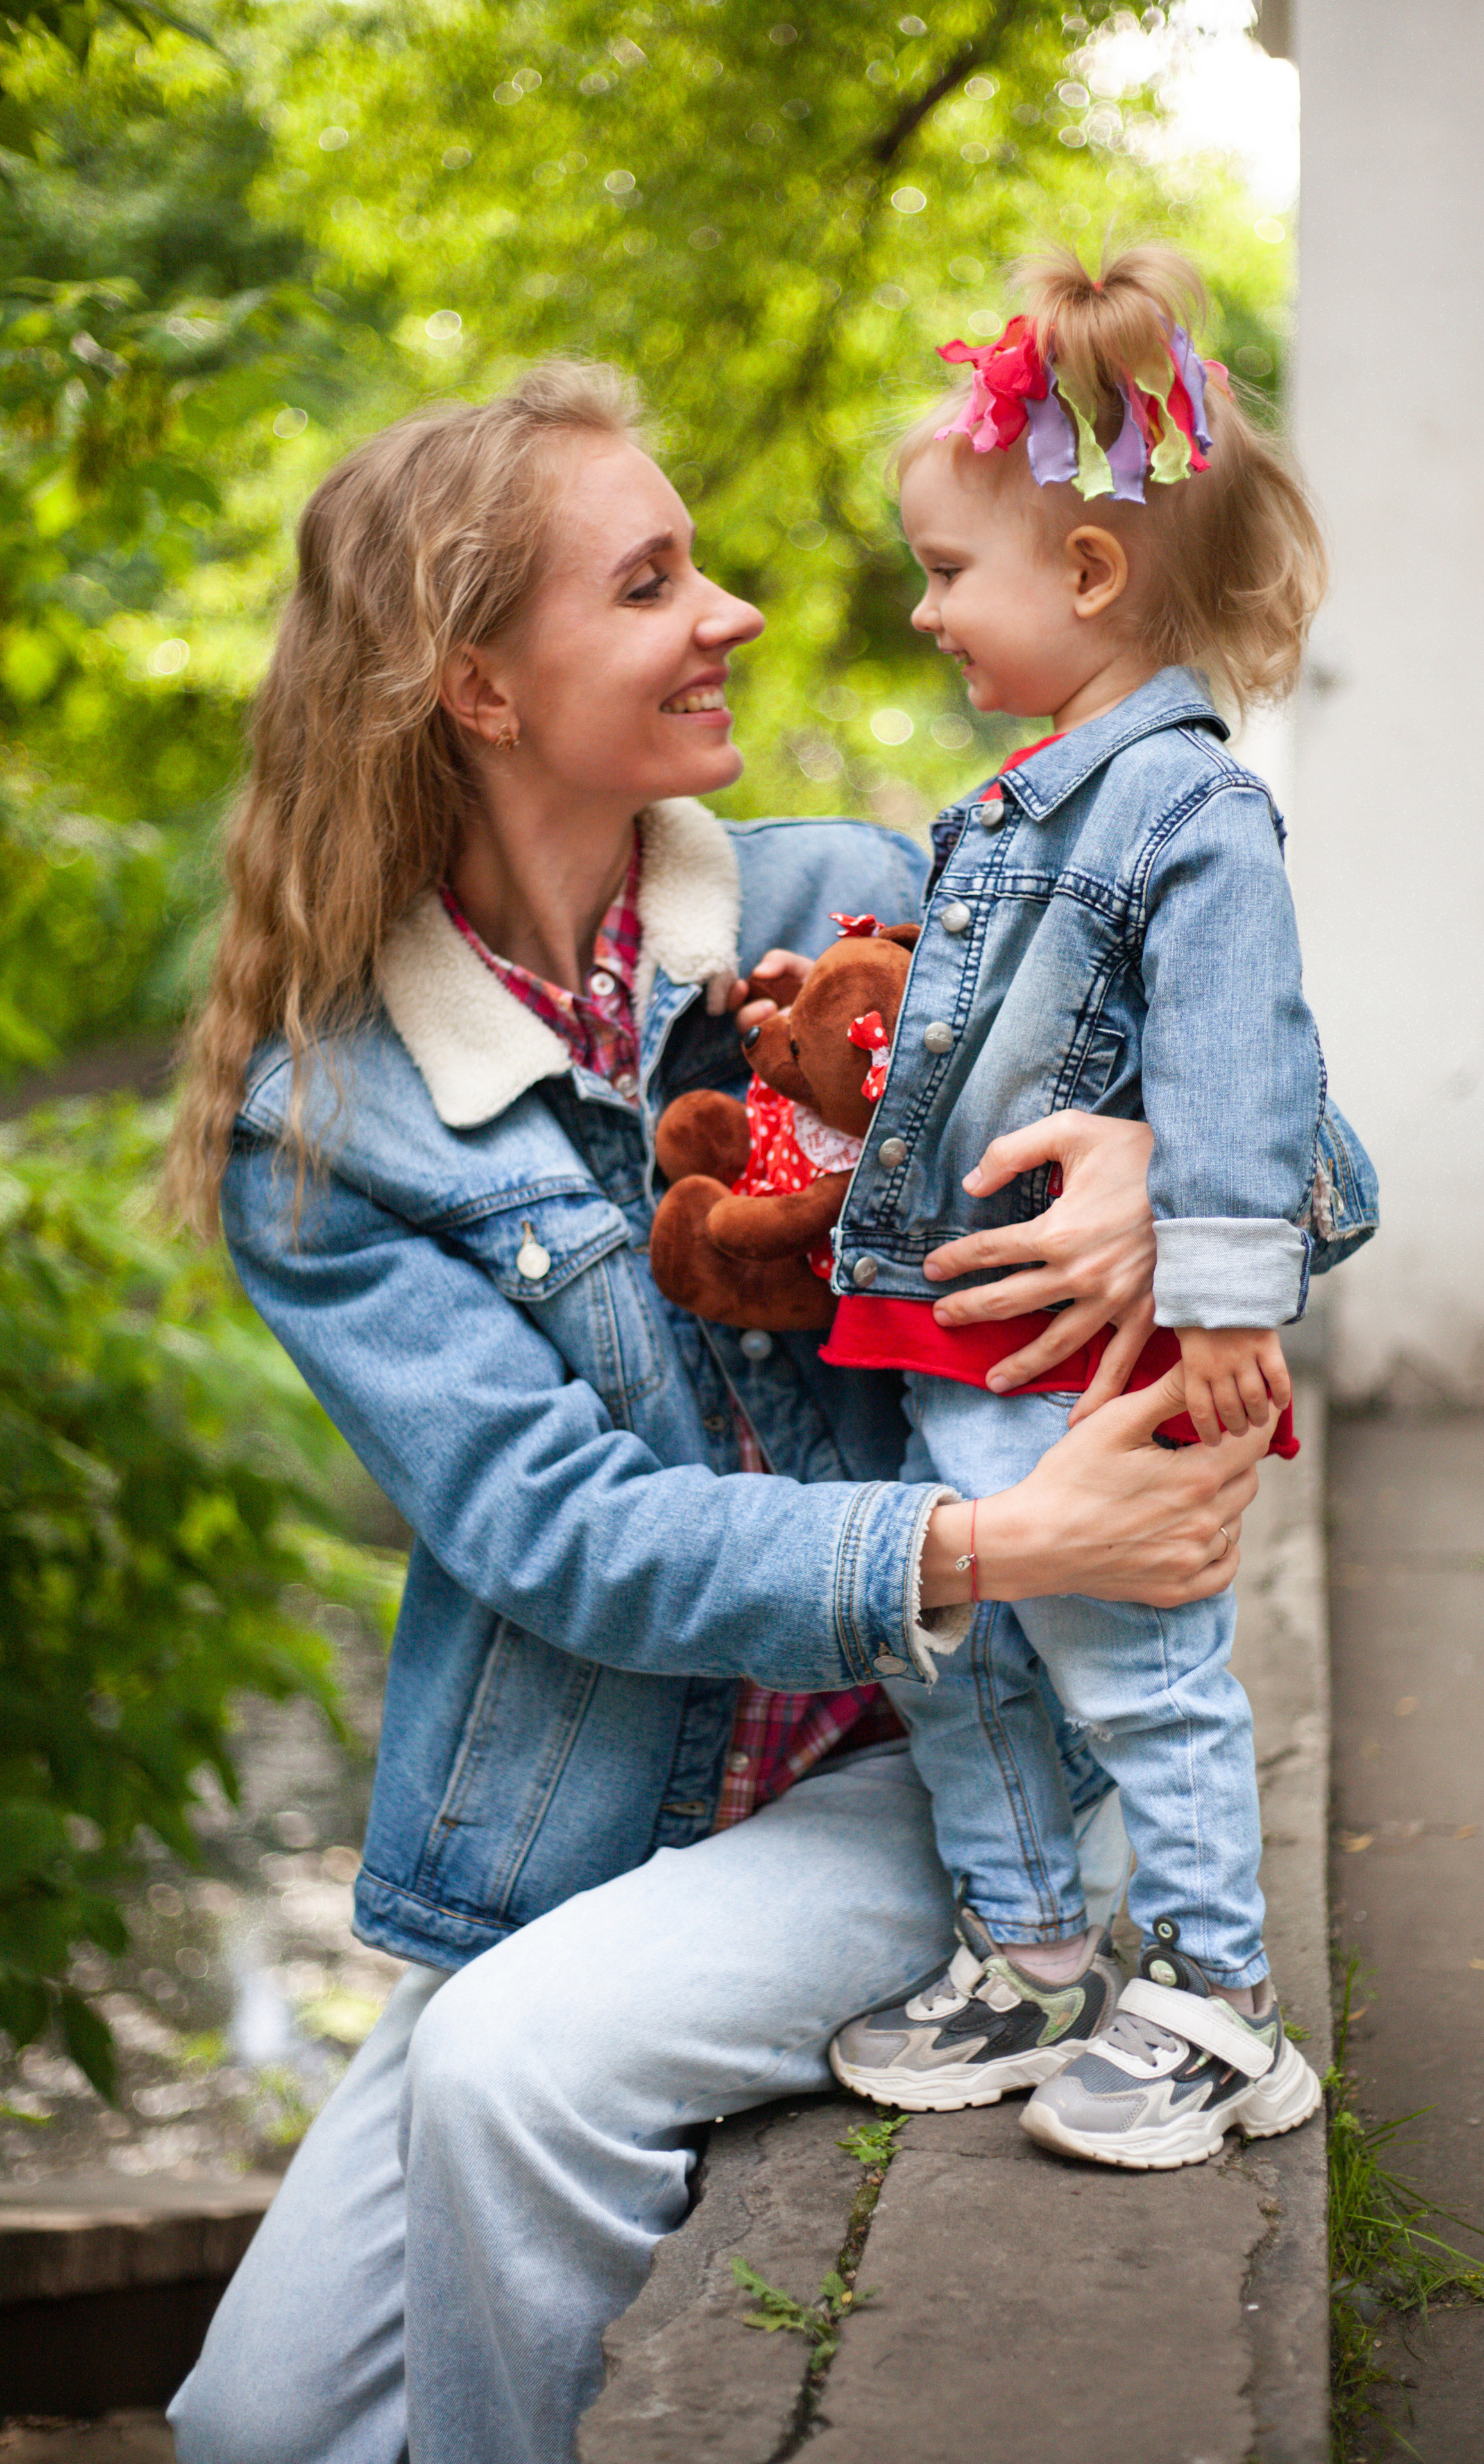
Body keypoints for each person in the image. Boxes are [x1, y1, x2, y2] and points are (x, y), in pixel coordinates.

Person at [160, 359, 1274, 2463]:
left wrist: (1165, 1182)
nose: (735, 612)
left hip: (948, 1766)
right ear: (479, 687)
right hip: (601, 1813)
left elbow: (1306, 1125)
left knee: (516, 2074)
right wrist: (996, 1540)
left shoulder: (865, 894)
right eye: (654, 580)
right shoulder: (330, 1118)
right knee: (248, 2428)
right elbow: (560, 1533)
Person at [822, 245, 1378, 2166]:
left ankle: (1225, 2004)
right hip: (959, 1325)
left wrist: (1230, 1301)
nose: (920, 608)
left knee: (1140, 1671)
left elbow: (1242, 1072)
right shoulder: (1014, 808)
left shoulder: (1185, 815)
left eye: (947, 570)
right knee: (955, 1651)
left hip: (1091, 1355)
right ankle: (1033, 1946)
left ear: (1085, 575)